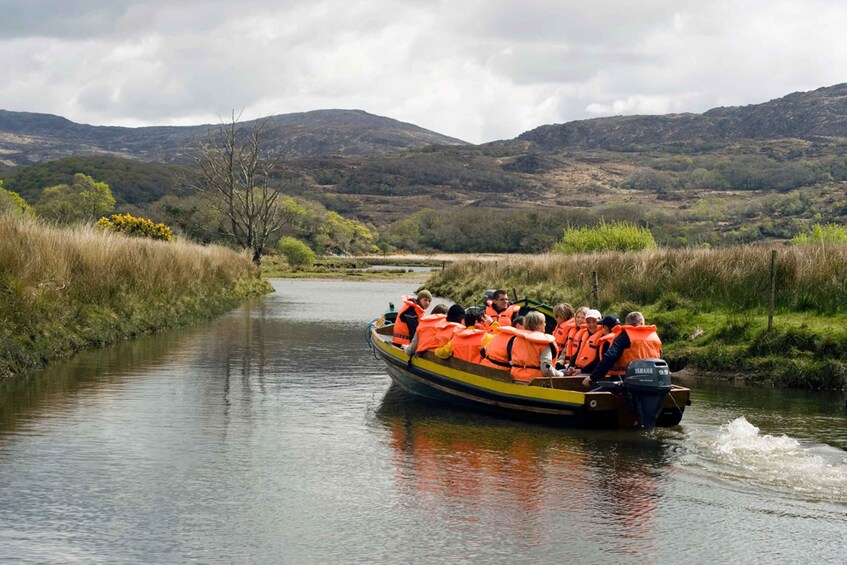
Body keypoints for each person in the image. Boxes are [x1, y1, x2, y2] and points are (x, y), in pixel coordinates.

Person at [583, 311, 663, 388]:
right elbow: (661, 361)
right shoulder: (654, 337)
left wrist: (592, 377)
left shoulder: (624, 336)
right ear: (642, 323)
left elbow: (610, 357)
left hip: (628, 383)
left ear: (627, 324)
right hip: (653, 382)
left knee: (592, 395)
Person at [508, 311, 563, 384]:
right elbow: (546, 369)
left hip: (515, 378)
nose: (545, 324)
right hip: (534, 381)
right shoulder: (544, 342)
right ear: (538, 325)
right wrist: (560, 375)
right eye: (544, 322)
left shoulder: (516, 339)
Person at [566, 309, 603, 376]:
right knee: (562, 372)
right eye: (588, 322)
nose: (591, 325)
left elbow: (599, 360)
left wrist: (582, 371)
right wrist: (570, 366)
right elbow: (577, 354)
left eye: (594, 322)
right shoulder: (584, 335)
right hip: (579, 369)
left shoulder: (602, 337)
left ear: (600, 321)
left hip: (591, 372)